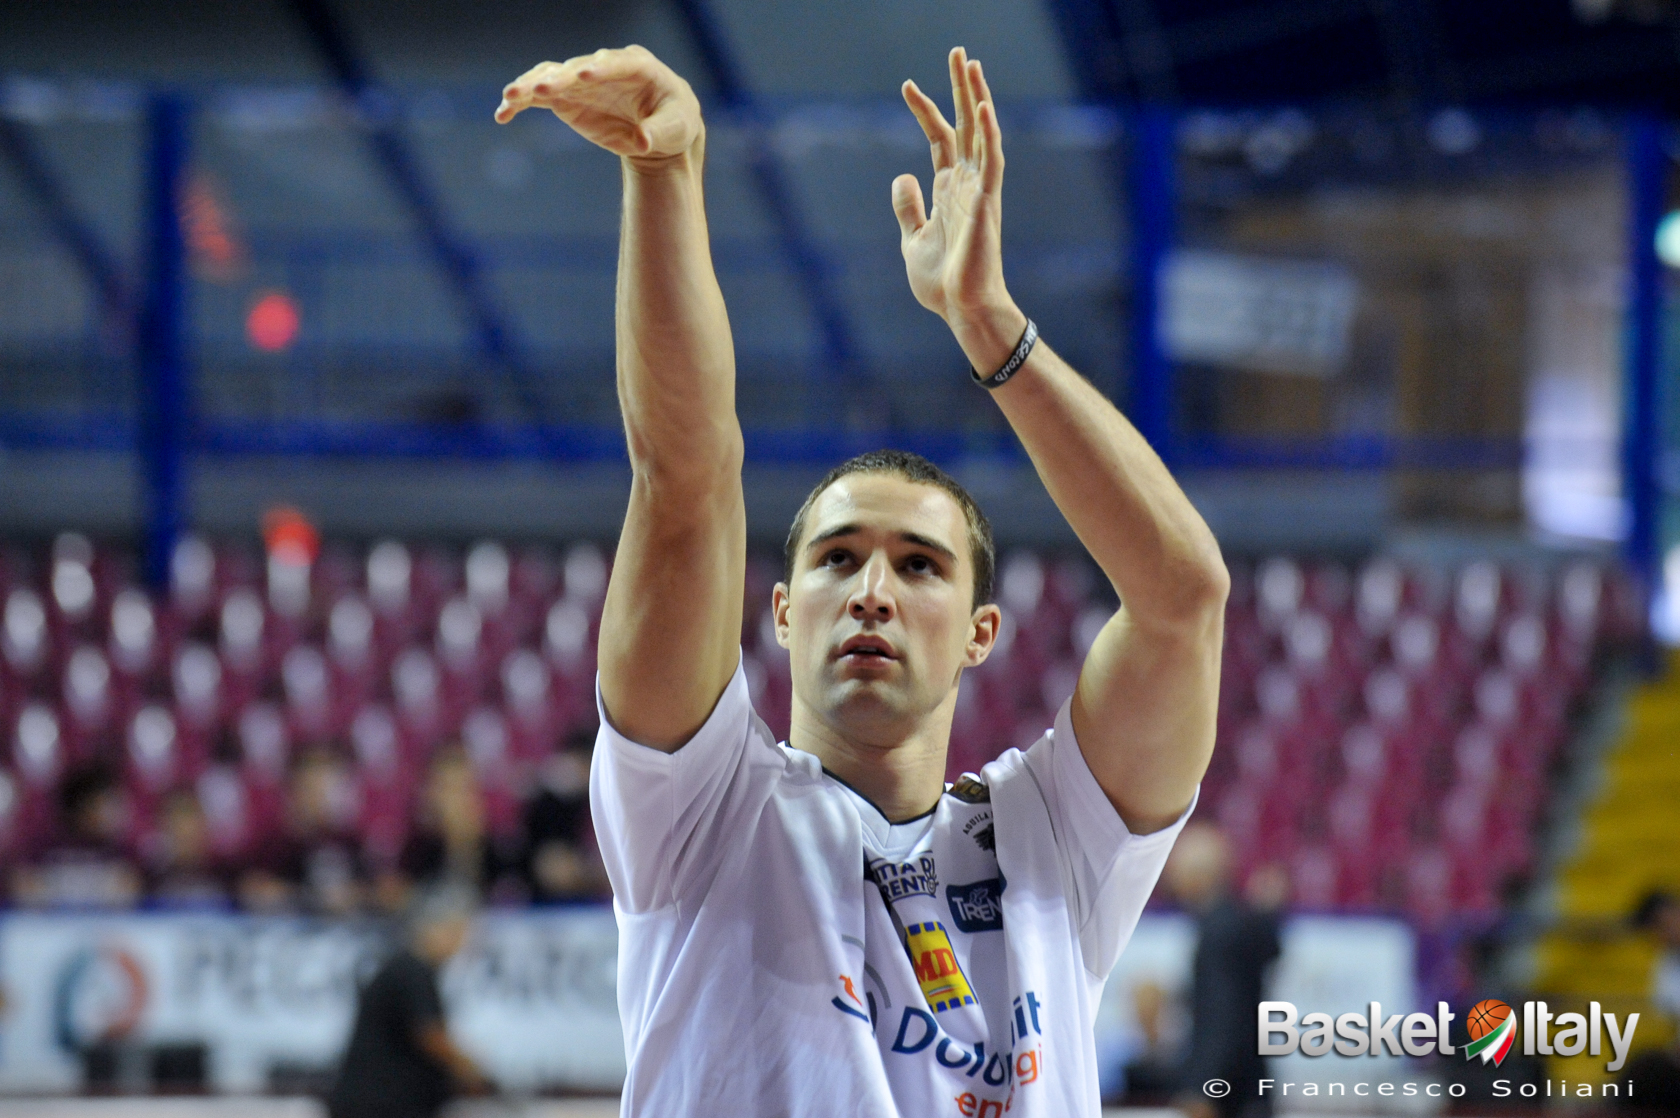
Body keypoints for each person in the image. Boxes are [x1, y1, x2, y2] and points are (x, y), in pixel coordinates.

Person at [495, 43, 1226, 1116]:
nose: (872, 589)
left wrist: (988, 324)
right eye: (837, 558)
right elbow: (687, 478)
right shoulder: (703, 806)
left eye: (919, 564)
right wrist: (667, 171)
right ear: (782, 613)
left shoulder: (1055, 839)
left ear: (983, 630)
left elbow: (1182, 599)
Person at [327, 883, 493, 1118]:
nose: (462, 942)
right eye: (458, 931)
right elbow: (430, 1035)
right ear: (436, 930)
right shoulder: (413, 972)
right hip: (380, 1104)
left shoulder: (405, 968)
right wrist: (471, 1068)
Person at [1162, 824, 1281, 1118]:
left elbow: (1222, 1016)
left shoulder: (1217, 932)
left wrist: (1204, 1088)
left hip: (1229, 1093)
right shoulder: (1234, 921)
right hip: (1250, 1083)